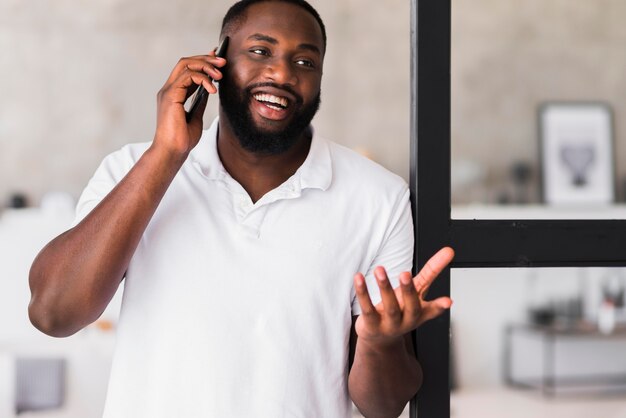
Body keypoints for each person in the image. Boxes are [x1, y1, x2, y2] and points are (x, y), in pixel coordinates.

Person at [28, 0, 454, 417]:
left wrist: (379, 344)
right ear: (217, 61)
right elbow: (54, 313)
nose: (282, 73)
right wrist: (166, 153)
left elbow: (383, 407)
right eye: (260, 51)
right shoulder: (132, 169)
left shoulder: (378, 196)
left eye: (305, 62)